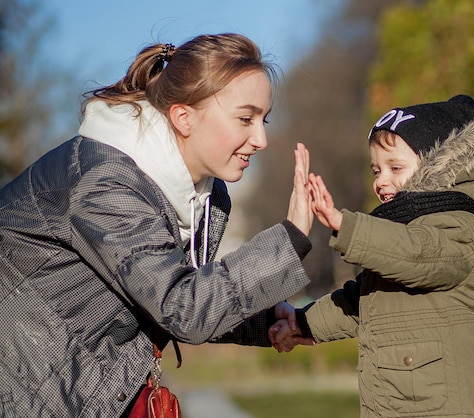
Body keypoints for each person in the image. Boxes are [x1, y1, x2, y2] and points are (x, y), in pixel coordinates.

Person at [0, 33, 314, 417]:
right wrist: (289, 239)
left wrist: (268, 320)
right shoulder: (106, 182)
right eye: (245, 118)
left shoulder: (202, 196)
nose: (261, 138)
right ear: (184, 117)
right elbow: (182, 307)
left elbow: (180, 291)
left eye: (264, 119)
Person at [271, 95, 474, 417]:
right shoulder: (402, 231)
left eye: (395, 167)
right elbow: (365, 299)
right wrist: (302, 322)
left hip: (454, 406)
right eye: (376, 170)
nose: (381, 181)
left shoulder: (456, 223)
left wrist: (345, 225)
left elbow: (421, 256)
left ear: (438, 166)